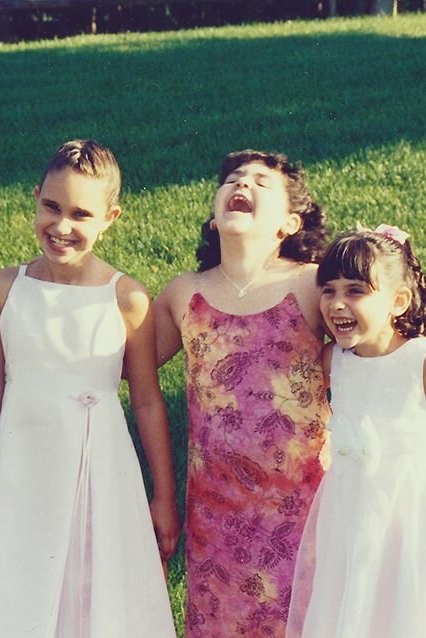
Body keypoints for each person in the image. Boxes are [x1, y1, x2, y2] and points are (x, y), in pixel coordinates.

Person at [0, 139, 180, 637]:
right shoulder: (3, 289)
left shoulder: (127, 297)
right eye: (51, 207)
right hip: (24, 470)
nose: (62, 226)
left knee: (99, 590)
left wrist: (163, 496)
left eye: (80, 213)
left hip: (100, 467)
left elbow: (148, 401)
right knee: (21, 590)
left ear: (110, 217)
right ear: (35, 198)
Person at [155, 150, 331, 637]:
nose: (243, 185)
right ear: (214, 217)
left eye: (261, 182)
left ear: (289, 223)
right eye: (233, 179)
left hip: (302, 506)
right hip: (216, 515)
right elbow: (127, 367)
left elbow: (375, 342)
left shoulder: (312, 284)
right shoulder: (183, 294)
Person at [285, 225, 426, 638]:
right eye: (328, 290)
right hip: (352, 506)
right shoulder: (334, 360)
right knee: (354, 603)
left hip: (418, 512)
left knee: (411, 609)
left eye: (355, 291)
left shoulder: (424, 358)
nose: (337, 304)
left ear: (398, 302)